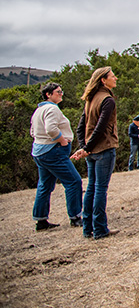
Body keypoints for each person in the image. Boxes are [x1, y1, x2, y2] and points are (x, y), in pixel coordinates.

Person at [71, 67, 119, 239]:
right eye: (112, 76)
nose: (116, 78)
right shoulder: (107, 100)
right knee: (100, 189)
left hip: (91, 151)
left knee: (91, 188)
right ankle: (99, 229)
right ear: (103, 80)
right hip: (103, 149)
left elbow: (80, 127)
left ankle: (87, 228)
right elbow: (100, 128)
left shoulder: (90, 99)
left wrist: (85, 147)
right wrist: (87, 148)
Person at [30, 82, 83, 231]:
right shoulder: (52, 109)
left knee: (44, 185)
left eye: (61, 91)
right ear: (48, 94)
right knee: (73, 181)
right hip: (54, 150)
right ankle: (76, 216)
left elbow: (32, 132)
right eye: (58, 92)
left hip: (40, 151)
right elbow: (51, 129)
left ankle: (40, 220)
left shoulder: (39, 110)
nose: (61, 94)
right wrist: (62, 141)